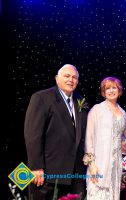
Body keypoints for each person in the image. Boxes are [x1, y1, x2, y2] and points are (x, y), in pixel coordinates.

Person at [24, 64, 88, 199]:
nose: (71, 79)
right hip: (47, 173)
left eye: (74, 77)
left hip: (74, 176)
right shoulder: (42, 98)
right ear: (57, 78)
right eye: (67, 76)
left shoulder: (80, 100)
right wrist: (36, 167)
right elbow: (33, 135)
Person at [84, 77, 126, 200]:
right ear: (103, 92)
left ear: (119, 91)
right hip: (99, 163)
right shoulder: (96, 109)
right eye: (107, 88)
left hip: (116, 165)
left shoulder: (122, 112)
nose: (111, 91)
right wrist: (91, 164)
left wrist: (125, 145)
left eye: (114, 87)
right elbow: (89, 139)